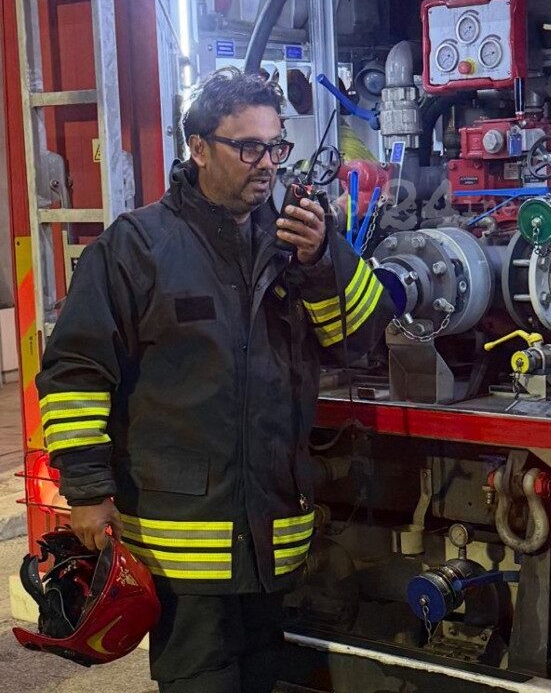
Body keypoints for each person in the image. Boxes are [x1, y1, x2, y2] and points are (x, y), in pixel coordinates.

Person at [35, 68, 394, 692]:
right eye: (248, 147)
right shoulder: (137, 247)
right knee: (201, 682)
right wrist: (88, 490)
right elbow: (75, 372)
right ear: (198, 148)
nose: (267, 164)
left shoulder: (297, 242)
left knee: (264, 677)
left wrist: (321, 261)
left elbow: (358, 340)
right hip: (184, 542)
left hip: (273, 534)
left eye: (276, 147)